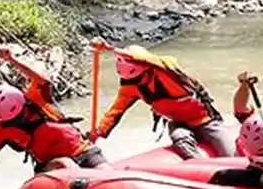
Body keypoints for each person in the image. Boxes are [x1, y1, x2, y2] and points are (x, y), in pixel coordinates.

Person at [0, 47, 109, 173]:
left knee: (105, 171)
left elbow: (41, 80)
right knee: (65, 164)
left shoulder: (34, 98)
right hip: (51, 165)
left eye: (19, 115)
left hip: (83, 150)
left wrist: (11, 59)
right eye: (13, 119)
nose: (17, 119)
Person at [91, 41, 235, 160]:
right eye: (134, 80)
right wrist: (98, 132)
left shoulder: (166, 68)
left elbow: (149, 60)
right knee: (180, 138)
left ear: (146, 69)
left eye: (139, 78)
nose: (138, 82)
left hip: (207, 122)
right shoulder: (131, 86)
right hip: (180, 124)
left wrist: (111, 49)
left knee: (230, 154)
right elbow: (115, 112)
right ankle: (202, 168)